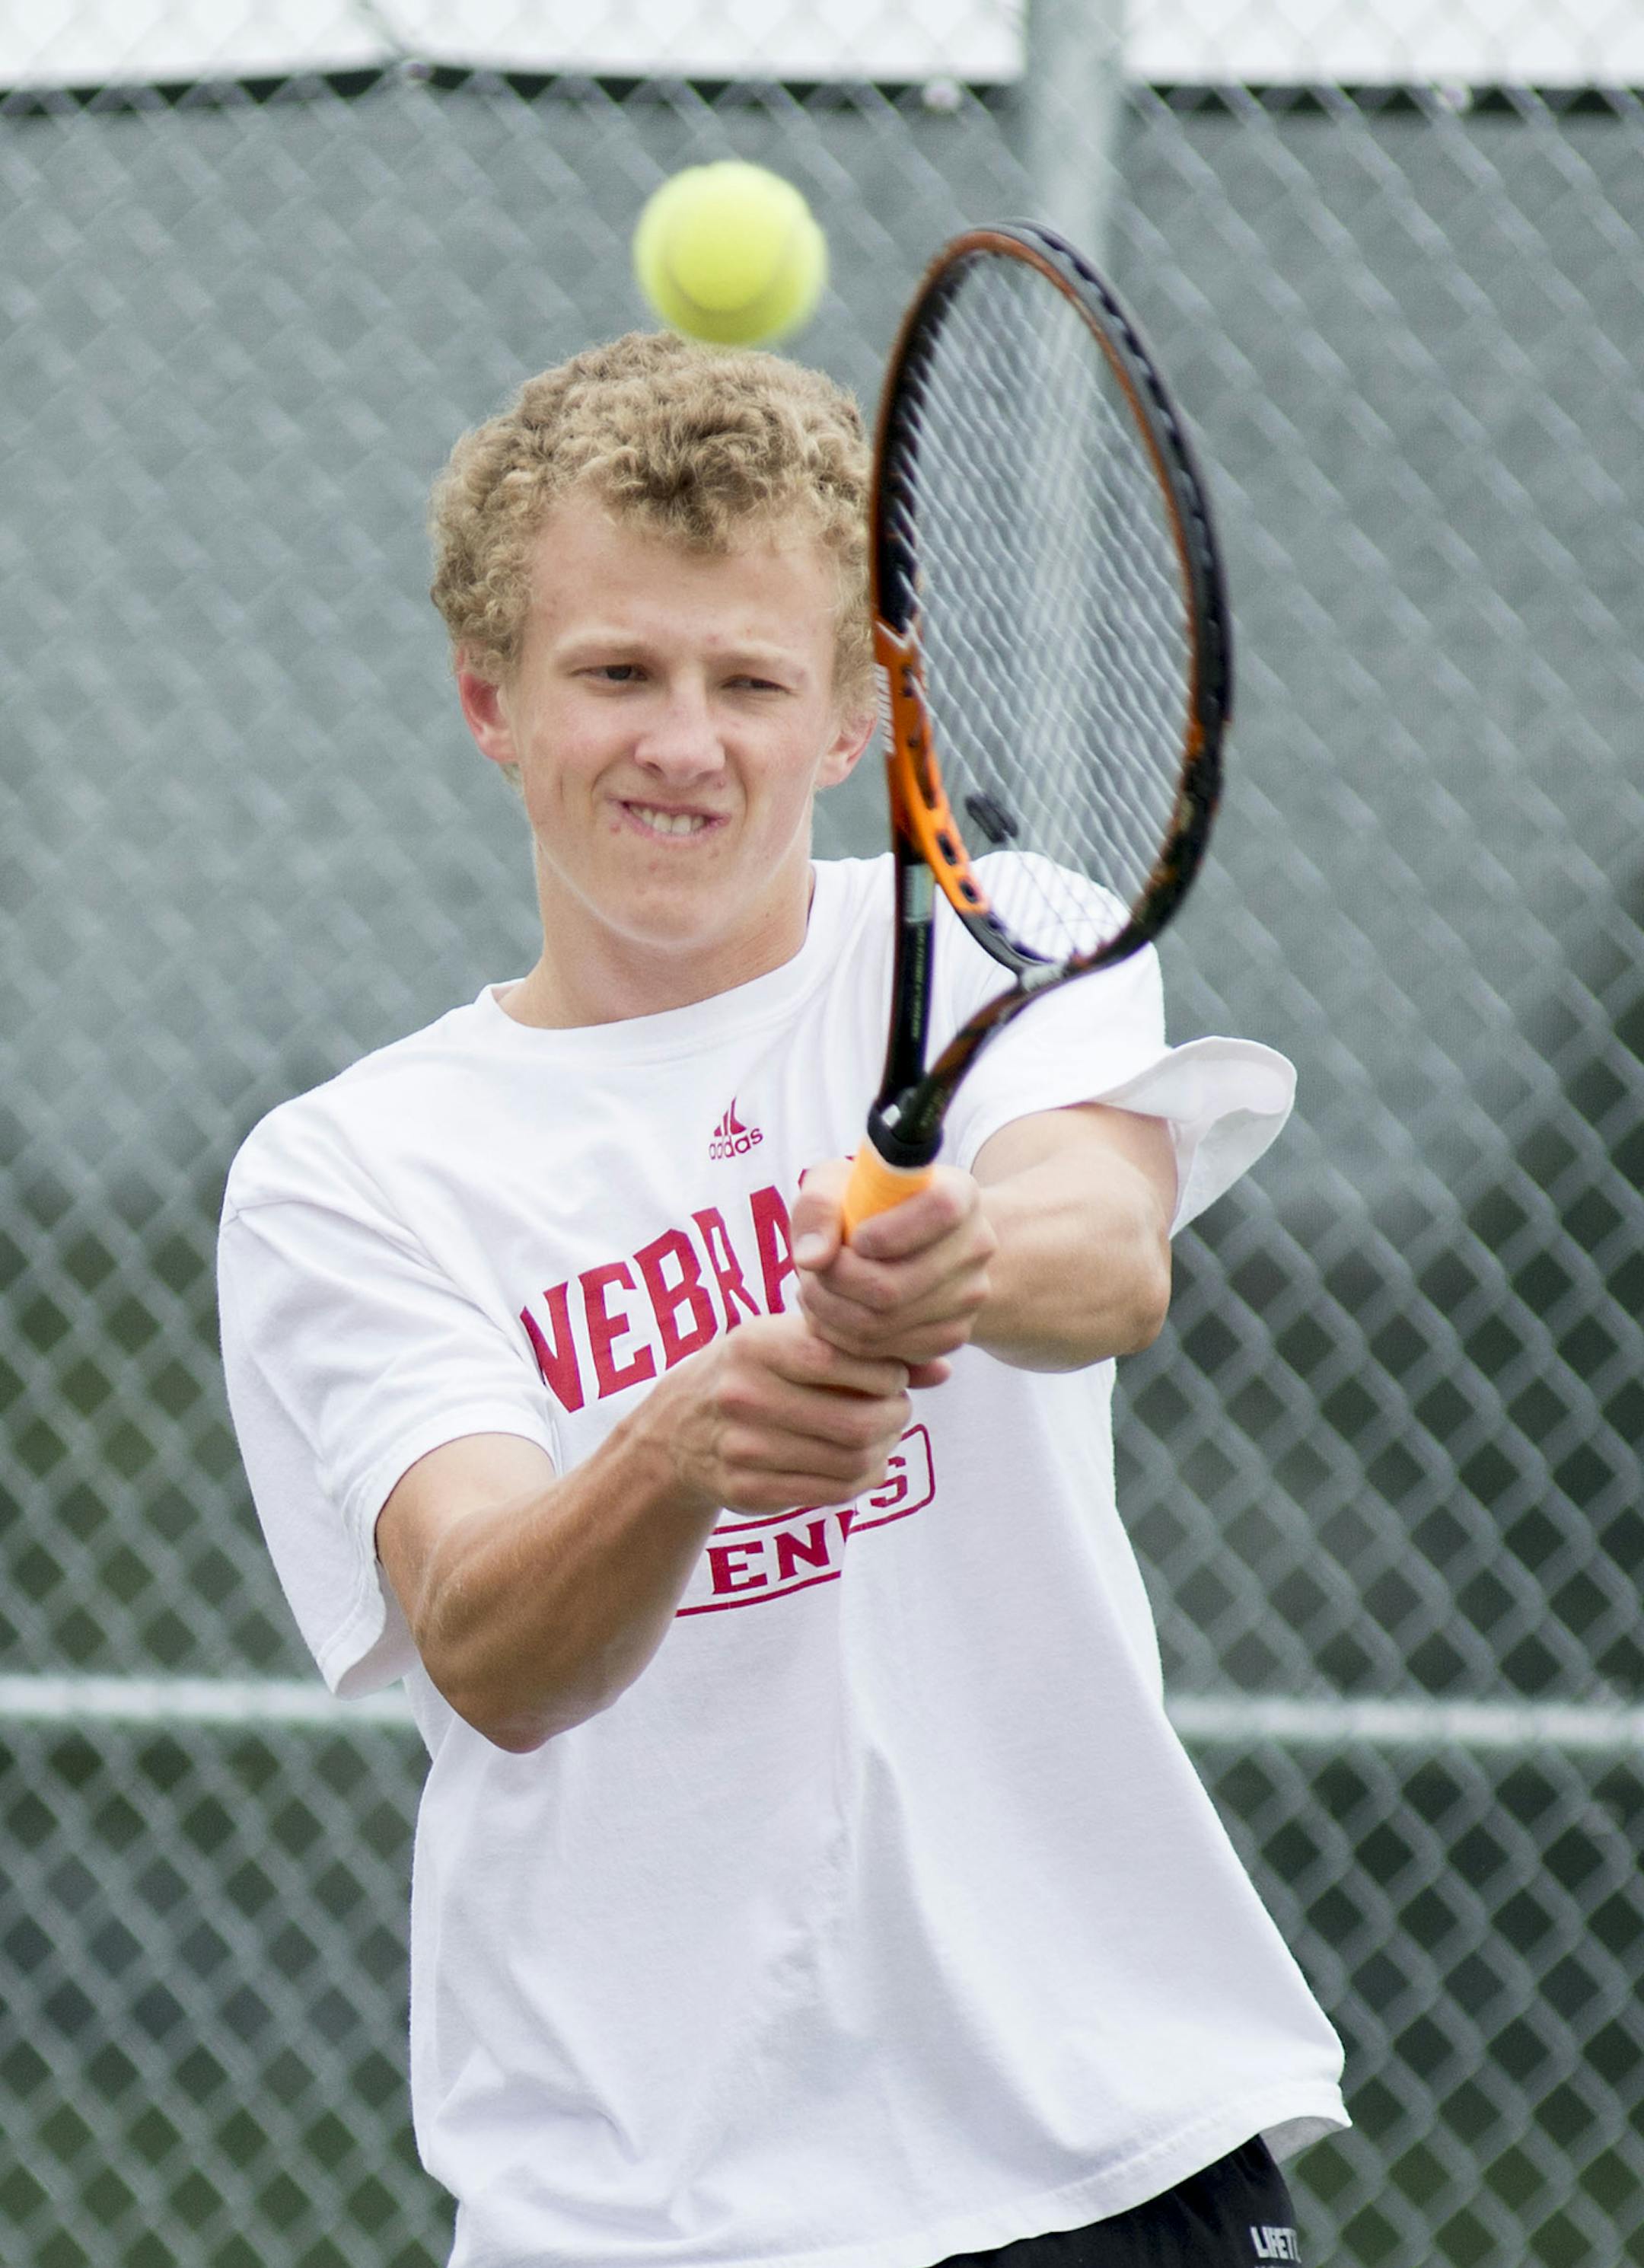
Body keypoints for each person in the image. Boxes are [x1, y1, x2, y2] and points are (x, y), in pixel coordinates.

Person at [218, 330, 1346, 2268]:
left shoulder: (1017, 934)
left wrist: (957, 1257)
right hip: (635, 2214)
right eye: (618, 674)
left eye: (751, 681)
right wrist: (678, 1442)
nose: (686, 741)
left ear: (851, 725)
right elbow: (492, 1642)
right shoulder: (348, 1171)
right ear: (492, 699)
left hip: (1100, 2152)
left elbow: (1103, 1251)